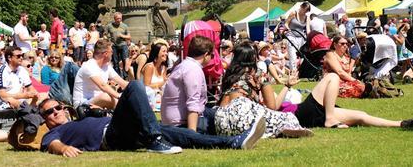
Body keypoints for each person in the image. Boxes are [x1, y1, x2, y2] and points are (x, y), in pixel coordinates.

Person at [39, 80, 265, 156]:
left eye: (57, 107)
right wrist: (62, 150)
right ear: (45, 119)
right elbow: (51, 144)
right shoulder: (54, 133)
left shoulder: (79, 118)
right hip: (112, 136)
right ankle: (155, 140)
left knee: (184, 135)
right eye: (49, 112)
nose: (56, 112)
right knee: (135, 85)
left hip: (130, 130)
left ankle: (233, 142)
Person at [215, 41, 311, 138]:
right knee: (289, 117)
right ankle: (281, 129)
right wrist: (287, 86)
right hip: (241, 111)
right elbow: (273, 107)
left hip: (221, 121)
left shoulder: (228, 74)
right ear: (254, 57)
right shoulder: (257, 73)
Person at [278, 71, 413, 129]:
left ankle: (402, 123)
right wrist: (287, 85)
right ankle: (330, 119)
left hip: (308, 115)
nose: (345, 45)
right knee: (332, 77)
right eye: (342, 43)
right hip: (299, 114)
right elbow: (272, 106)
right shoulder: (263, 94)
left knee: (360, 115)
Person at [161, 36, 213, 132]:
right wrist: (192, 134)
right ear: (206, 55)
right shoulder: (193, 69)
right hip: (181, 123)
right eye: (212, 55)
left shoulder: (183, 66)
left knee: (216, 113)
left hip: (173, 120)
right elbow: (193, 102)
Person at [72, 39, 128, 109]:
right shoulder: (89, 65)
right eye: (111, 52)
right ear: (106, 54)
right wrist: (120, 97)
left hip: (98, 100)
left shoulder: (107, 66)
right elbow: (102, 85)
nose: (112, 54)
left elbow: (122, 82)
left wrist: (138, 88)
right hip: (82, 104)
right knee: (107, 97)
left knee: (116, 99)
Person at [141, 39, 168, 110]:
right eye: (163, 51)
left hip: (160, 99)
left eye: (166, 51)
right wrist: (162, 83)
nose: (166, 54)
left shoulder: (164, 67)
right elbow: (146, 86)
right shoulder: (149, 66)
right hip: (148, 100)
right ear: (156, 53)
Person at [285, 2, 311, 70]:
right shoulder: (293, 13)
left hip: (302, 38)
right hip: (291, 36)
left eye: (306, 11)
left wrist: (310, 37)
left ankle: (301, 71)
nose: (305, 12)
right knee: (293, 56)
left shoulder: (307, 17)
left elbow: (308, 29)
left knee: (303, 56)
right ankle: (293, 72)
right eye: (304, 9)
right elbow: (286, 24)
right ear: (301, 7)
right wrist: (288, 29)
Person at [105, 12, 131, 78]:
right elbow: (105, 35)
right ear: (114, 18)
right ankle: (117, 76)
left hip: (123, 44)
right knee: (115, 62)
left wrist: (122, 35)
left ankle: (125, 75)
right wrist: (108, 41)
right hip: (114, 45)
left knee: (125, 59)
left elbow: (129, 36)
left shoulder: (125, 26)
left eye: (120, 18)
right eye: (117, 18)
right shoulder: (109, 26)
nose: (119, 20)